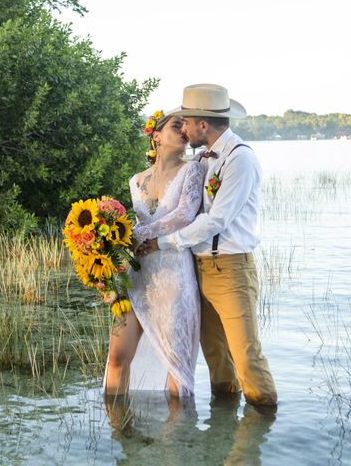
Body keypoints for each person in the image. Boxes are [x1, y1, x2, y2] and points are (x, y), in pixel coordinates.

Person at [137, 84, 278, 409]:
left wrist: (161, 242)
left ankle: (261, 428)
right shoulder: (203, 159)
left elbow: (215, 220)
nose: (183, 128)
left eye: (186, 121)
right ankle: (223, 433)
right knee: (217, 359)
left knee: (246, 355)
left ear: (203, 124)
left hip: (230, 268)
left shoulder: (239, 159)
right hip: (199, 269)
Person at [103, 111, 204, 399]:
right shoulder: (136, 181)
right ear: (155, 135)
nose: (185, 130)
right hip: (137, 275)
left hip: (173, 275)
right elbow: (131, 226)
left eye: (186, 126)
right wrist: (112, 241)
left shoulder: (192, 170)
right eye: (176, 125)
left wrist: (140, 233)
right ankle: (118, 434)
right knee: (117, 357)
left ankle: (176, 437)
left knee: (176, 365)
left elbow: (185, 216)